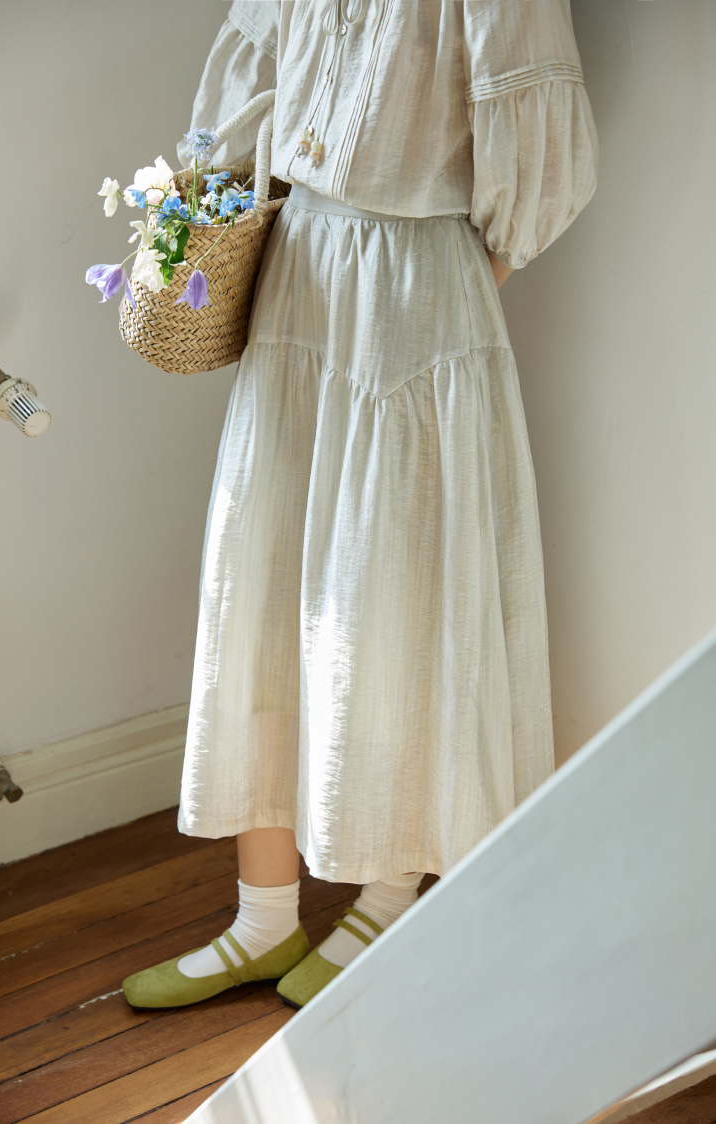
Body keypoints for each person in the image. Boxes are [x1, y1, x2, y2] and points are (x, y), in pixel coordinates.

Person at [123, 0, 598, 1010]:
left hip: (416, 290)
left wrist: (443, 281)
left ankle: (388, 899)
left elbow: (538, 153)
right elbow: (245, 93)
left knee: (400, 603)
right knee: (263, 590)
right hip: (298, 271)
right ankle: (262, 919)